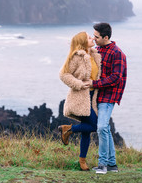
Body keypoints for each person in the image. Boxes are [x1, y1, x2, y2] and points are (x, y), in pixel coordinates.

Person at [58, 31, 102, 171]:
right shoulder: (76, 57)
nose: (92, 38)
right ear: (83, 42)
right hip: (80, 98)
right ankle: (69, 129)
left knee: (86, 131)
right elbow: (63, 74)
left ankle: (82, 161)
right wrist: (79, 84)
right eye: (89, 38)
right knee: (95, 126)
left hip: (92, 98)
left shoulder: (95, 55)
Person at [90, 22, 127, 174]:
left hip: (109, 95)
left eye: (96, 37)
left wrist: (95, 84)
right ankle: (112, 165)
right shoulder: (98, 50)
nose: (94, 39)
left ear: (106, 37)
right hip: (98, 95)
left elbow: (115, 77)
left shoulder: (117, 53)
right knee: (104, 129)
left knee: (102, 127)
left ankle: (103, 164)